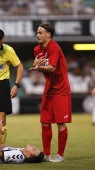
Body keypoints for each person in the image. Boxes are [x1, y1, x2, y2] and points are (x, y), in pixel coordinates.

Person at [29, 22, 72, 162]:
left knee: (60, 124)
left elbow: (52, 68)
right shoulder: (37, 50)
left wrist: (37, 68)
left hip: (61, 89)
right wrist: (36, 66)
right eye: (37, 32)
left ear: (48, 34)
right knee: (45, 122)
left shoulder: (54, 46)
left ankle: (60, 155)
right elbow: (38, 67)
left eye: (40, 33)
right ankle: (46, 155)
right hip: (48, 89)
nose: (37, 35)